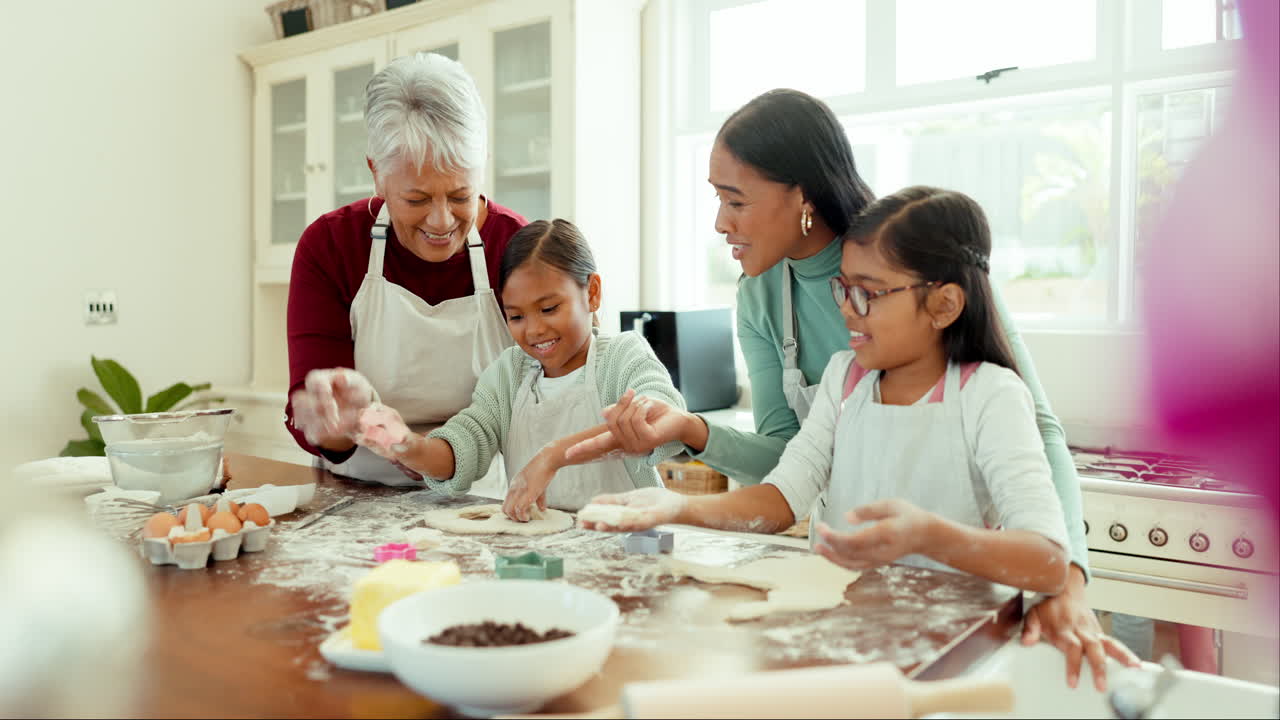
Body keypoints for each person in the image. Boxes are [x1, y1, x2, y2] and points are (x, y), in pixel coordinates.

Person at [568, 89, 1137, 689]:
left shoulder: (928, 273)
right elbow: (789, 476)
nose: (719, 222)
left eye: (735, 199)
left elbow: (1039, 453)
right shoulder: (808, 337)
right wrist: (685, 466)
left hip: (954, 617)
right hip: (851, 605)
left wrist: (1066, 579)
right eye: (843, 292)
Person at [582, 187, 1072, 594]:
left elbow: (1047, 559)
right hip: (849, 617)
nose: (847, 309)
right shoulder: (844, 379)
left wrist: (929, 536)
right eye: (843, 289)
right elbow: (781, 498)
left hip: (952, 637)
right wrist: (677, 508)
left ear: (943, 305)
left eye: (868, 293)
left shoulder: (990, 396)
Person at [285, 52, 527, 486]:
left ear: (483, 165)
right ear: (376, 174)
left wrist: (439, 448)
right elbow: (318, 424)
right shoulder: (331, 246)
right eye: (416, 199)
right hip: (360, 493)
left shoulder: (517, 247)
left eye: (460, 196)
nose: (441, 221)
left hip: (488, 497)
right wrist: (337, 423)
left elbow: (546, 393)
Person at [351, 219, 686, 518]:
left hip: (628, 547)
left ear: (592, 293)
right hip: (539, 552)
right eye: (516, 316)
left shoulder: (621, 358)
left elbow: (664, 421)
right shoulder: (508, 375)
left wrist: (554, 455)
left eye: (549, 308)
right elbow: (465, 443)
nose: (535, 329)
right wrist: (411, 446)